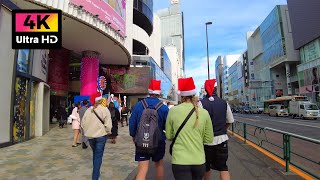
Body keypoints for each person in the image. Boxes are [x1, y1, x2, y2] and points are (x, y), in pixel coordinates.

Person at [166, 77, 213, 180]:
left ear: (181, 96)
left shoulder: (173, 111)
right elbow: (209, 139)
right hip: (198, 160)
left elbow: (169, 136)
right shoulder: (204, 113)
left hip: (179, 160)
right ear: (194, 95)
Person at [129, 79, 169, 180]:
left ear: (149, 91)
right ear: (159, 93)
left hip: (142, 140)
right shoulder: (164, 108)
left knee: (142, 168)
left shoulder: (139, 105)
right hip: (158, 141)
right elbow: (167, 126)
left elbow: (132, 123)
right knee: (159, 165)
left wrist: (133, 136)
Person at [200, 79, 234, 180]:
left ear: (205, 90)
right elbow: (230, 120)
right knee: (223, 167)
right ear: (216, 89)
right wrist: (223, 129)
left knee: (206, 167)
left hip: (206, 141)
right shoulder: (224, 103)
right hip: (222, 139)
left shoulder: (201, 103)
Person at [81, 92, 112, 180]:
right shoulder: (104, 109)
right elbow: (108, 124)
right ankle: (95, 177)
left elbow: (83, 124)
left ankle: (97, 175)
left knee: (95, 155)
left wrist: (88, 131)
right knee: (98, 156)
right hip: (101, 136)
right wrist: (107, 131)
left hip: (90, 137)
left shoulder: (88, 110)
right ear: (100, 99)